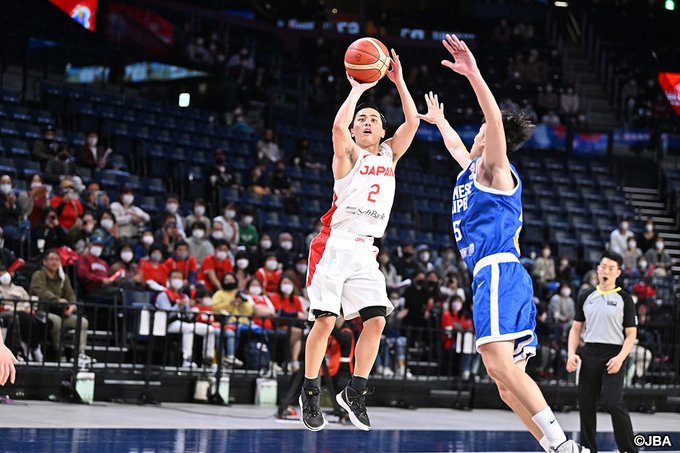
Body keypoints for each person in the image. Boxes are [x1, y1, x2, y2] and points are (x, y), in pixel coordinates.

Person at [417, 34, 585, 452]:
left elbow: (493, 119)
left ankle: (564, 445)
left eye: (482, 132)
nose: (477, 135)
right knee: (506, 384)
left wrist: (473, 74)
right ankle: (553, 446)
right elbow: (457, 147)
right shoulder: (472, 171)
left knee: (498, 366)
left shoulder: (496, 169)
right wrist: (440, 123)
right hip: (497, 276)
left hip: (498, 271)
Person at [300, 47, 420, 432]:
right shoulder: (348, 156)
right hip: (333, 244)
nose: (367, 122)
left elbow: (413, 122)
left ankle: (354, 391)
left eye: (374, 119)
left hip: (366, 250)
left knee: (377, 321)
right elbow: (337, 129)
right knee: (325, 322)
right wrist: (357, 89)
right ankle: (310, 391)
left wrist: (399, 81)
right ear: (355, 130)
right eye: (361, 119)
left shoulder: (389, 154)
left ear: (383, 131)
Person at [566, 250, 638, 453]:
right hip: (589, 353)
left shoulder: (625, 299)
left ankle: (629, 449)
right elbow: (575, 329)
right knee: (586, 405)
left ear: (618, 272)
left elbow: (631, 334)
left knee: (614, 403)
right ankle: (589, 449)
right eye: (603, 267)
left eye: (611, 268)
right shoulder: (586, 296)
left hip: (614, 354)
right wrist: (571, 354)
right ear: (598, 269)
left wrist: (620, 358)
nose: (606, 271)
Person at [29, 250, 92, 366]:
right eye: (51, 259)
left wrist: (72, 306)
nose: (54, 262)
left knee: (82, 322)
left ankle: (79, 353)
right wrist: (57, 300)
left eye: (57, 259)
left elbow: (71, 294)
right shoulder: (38, 275)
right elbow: (42, 292)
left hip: (61, 312)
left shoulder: (64, 277)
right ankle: (59, 352)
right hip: (41, 311)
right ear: (44, 262)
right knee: (57, 321)